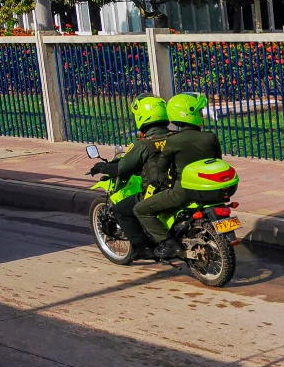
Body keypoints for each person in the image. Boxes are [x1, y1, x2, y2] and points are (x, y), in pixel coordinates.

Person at [134, 92, 223, 260]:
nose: (201, 116)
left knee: (141, 209)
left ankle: (168, 243)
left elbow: (162, 167)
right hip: (207, 188)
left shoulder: (174, 141)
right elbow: (217, 160)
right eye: (199, 112)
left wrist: (158, 181)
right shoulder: (210, 137)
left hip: (182, 192)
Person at [86, 96, 172, 260]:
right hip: (178, 188)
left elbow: (122, 169)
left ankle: (142, 248)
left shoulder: (144, 144)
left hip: (158, 191)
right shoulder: (176, 137)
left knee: (121, 209)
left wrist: (101, 167)